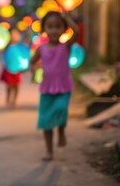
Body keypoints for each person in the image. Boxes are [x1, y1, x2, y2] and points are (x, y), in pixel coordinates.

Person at [29, 11, 79, 161]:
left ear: (64, 29)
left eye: (58, 27)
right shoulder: (41, 48)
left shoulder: (66, 46)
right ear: (44, 29)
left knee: (61, 109)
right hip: (47, 89)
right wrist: (33, 71)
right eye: (50, 27)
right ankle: (49, 151)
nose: (54, 30)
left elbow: (76, 32)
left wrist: (66, 18)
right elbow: (32, 62)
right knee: (45, 120)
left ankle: (62, 130)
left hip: (63, 88)